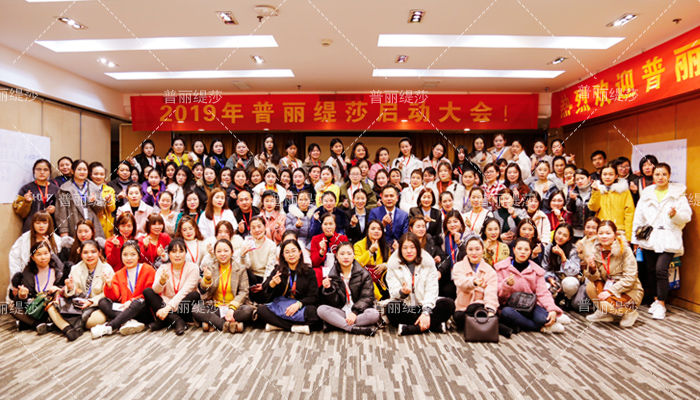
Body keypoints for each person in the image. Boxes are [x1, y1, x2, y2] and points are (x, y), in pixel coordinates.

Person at [632, 163, 691, 320]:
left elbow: (687, 217)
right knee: (651, 270)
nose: (661, 177)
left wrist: (675, 215)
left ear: (669, 175)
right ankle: (656, 300)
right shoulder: (646, 193)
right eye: (657, 174)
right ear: (653, 176)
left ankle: (662, 305)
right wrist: (635, 240)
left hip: (669, 237)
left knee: (661, 270)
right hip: (650, 237)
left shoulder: (678, 194)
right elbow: (638, 218)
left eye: (664, 174)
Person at [385, 233, 455, 335]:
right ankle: (434, 326)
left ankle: (410, 328)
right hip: (407, 307)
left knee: (449, 304)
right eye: (405, 248)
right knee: (391, 308)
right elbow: (393, 291)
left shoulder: (428, 262)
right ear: (400, 249)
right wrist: (402, 292)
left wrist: (426, 312)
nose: (409, 251)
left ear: (418, 248)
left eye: (412, 247)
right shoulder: (393, 263)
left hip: (425, 304)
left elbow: (432, 290)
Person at [494, 238, 566, 334]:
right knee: (506, 313)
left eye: (526, 249)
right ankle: (541, 328)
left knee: (542, 320)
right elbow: (498, 294)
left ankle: (550, 317)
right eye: (519, 249)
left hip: (531, 305)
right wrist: (506, 285)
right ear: (514, 250)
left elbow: (543, 293)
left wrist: (552, 309)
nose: (522, 252)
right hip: (510, 306)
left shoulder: (536, 270)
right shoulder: (501, 268)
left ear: (530, 251)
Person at [581, 221, 643, 327]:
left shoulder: (625, 250)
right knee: (590, 286)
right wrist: (592, 268)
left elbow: (630, 278)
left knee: (605, 304)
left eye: (608, 233)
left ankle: (630, 312)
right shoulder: (594, 250)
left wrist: (610, 291)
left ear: (615, 234)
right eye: (601, 233)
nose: (604, 236)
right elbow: (594, 278)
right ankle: (604, 313)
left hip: (628, 289)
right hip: (608, 285)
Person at [90, 240, 156, 338]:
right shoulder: (118, 274)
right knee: (103, 301)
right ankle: (129, 321)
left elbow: (151, 293)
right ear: (121, 256)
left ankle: (110, 326)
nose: (129, 258)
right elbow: (114, 296)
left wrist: (132, 301)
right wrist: (109, 284)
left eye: (133, 254)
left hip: (143, 310)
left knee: (139, 302)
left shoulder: (148, 269)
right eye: (125, 254)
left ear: (138, 256)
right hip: (125, 310)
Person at [258, 239, 320, 334]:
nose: (291, 255)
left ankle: (278, 325)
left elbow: (313, 296)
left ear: (300, 252)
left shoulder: (309, 272)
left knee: (314, 313)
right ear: (283, 255)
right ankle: (293, 327)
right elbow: (265, 289)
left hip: (301, 306)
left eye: (293, 251)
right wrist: (272, 284)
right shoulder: (278, 270)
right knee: (261, 310)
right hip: (281, 306)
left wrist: (299, 304)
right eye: (287, 252)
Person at [192, 239, 254, 333]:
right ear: (215, 253)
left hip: (235, 308)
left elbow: (244, 291)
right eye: (219, 251)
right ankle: (226, 325)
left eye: (226, 251)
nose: (222, 254)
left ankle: (213, 323)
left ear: (232, 252)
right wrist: (207, 278)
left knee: (247, 310)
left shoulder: (240, 269)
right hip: (216, 307)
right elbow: (204, 288)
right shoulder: (211, 267)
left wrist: (232, 308)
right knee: (196, 309)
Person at [318, 242, 380, 335]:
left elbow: (367, 298)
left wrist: (354, 312)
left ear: (354, 255)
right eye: (342, 254)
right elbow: (334, 303)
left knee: (374, 314)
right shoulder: (332, 275)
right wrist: (328, 289)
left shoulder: (364, 274)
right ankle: (352, 328)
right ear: (337, 256)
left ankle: (337, 324)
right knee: (321, 309)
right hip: (341, 311)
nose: (346, 257)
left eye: (349, 253)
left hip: (359, 312)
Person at [452, 237, 509, 335]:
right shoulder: (458, 266)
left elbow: (491, 292)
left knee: (473, 308)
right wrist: (474, 282)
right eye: (470, 249)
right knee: (458, 316)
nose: (474, 253)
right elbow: (460, 283)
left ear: (483, 250)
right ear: (466, 250)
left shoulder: (490, 271)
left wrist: (490, 310)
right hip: (462, 307)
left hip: (480, 306)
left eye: (477, 249)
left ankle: (480, 324)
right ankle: (495, 326)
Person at [143, 238, 200, 335]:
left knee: (194, 295)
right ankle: (177, 320)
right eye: (174, 251)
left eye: (181, 251)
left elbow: (185, 291)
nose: (177, 255)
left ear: (185, 253)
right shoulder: (163, 268)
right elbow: (156, 290)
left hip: (183, 306)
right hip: (166, 302)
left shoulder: (193, 268)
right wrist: (161, 282)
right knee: (148, 291)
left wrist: (167, 309)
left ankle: (164, 321)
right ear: (169, 254)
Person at [9, 241, 64, 334]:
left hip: (52, 307)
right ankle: (38, 324)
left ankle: (27, 324)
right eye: (38, 254)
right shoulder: (27, 274)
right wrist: (22, 296)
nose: (43, 257)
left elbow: (66, 291)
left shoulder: (59, 272)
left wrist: (59, 290)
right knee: (12, 306)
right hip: (35, 307)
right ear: (32, 257)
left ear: (50, 254)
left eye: (46, 253)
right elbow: (23, 302)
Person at [63, 240, 114, 335]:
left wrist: (90, 302)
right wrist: (70, 287)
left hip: (96, 305)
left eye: (93, 252)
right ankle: (72, 325)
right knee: (54, 307)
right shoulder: (75, 268)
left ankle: (66, 325)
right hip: (79, 304)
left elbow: (107, 293)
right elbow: (71, 292)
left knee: (97, 320)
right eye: (85, 252)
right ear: (81, 254)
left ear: (99, 252)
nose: (89, 255)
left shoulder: (107, 269)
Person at [541, 223, 586, 311]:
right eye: (559, 233)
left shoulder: (573, 250)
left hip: (568, 279)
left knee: (570, 283)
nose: (560, 237)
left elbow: (573, 272)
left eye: (565, 235)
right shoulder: (548, 248)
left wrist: (563, 256)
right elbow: (544, 268)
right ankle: (554, 299)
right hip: (554, 279)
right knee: (545, 285)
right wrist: (550, 278)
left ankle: (568, 298)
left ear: (569, 238)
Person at [56, 159, 106, 239]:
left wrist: (93, 202)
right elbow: (61, 213)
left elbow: (101, 207)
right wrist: (64, 231)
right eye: (79, 169)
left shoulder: (93, 186)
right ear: (72, 171)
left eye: (85, 170)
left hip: (92, 225)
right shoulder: (65, 189)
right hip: (73, 225)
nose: (82, 172)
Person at [9, 211, 63, 281]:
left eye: (45, 223)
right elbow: (14, 258)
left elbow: (58, 264)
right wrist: (17, 279)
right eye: (37, 223)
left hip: (50, 278)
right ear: (33, 224)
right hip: (27, 277)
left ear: (49, 224)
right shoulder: (24, 238)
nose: (41, 226)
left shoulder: (57, 240)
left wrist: (48, 248)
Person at [588, 162, 635, 241]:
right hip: (602, 230)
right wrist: (596, 192)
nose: (607, 177)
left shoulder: (624, 191)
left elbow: (629, 214)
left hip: (619, 231)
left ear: (616, 176)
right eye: (604, 174)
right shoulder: (598, 190)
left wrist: (629, 236)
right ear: (601, 176)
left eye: (611, 174)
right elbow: (593, 207)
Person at [13, 159, 59, 233]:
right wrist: (26, 202)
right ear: (34, 171)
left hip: (50, 227)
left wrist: (55, 210)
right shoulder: (26, 188)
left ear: (50, 172)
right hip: (30, 227)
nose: (42, 172)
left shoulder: (56, 189)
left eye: (45, 170)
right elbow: (20, 212)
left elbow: (64, 210)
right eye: (38, 169)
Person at [239, 216, 277, 303]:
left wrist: (264, 285)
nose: (257, 230)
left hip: (264, 277)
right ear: (250, 230)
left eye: (259, 226)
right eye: (253, 228)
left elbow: (270, 267)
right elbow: (245, 266)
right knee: (246, 273)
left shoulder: (271, 245)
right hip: (250, 277)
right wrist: (243, 255)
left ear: (265, 227)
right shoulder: (246, 243)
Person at [353, 219, 391, 300]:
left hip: (382, 280)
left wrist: (385, 265)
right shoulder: (358, 245)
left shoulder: (385, 247)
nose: (376, 231)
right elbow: (356, 264)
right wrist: (370, 251)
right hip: (365, 280)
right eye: (373, 229)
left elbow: (391, 262)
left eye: (379, 229)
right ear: (367, 230)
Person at [310, 213, 349, 286]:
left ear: (335, 225)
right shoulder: (315, 239)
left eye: (331, 224)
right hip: (321, 269)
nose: (328, 227)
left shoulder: (342, 238)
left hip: (338, 268)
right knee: (315, 274)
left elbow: (345, 257)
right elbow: (314, 263)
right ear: (321, 226)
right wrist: (321, 252)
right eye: (325, 224)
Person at [439, 210, 470, 300]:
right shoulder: (442, 238)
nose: (452, 225)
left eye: (455, 221)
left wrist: (459, 243)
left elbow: (469, 257)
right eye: (449, 222)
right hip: (448, 275)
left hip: (465, 274)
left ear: (461, 222)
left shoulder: (468, 236)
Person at [567, 168, 595, 240]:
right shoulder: (573, 191)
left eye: (582, 178)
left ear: (589, 178)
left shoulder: (594, 192)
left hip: (592, 228)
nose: (580, 181)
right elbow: (569, 208)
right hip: (576, 229)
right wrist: (572, 200)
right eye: (577, 179)